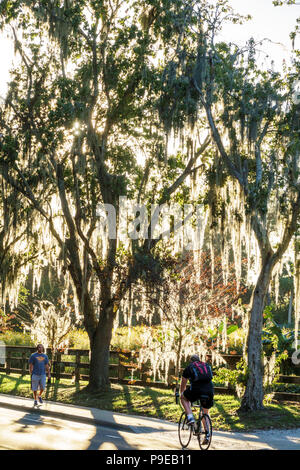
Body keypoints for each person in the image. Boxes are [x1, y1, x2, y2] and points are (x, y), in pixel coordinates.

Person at [180, 354, 214, 442]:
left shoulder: (189, 367)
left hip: (196, 389)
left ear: (191, 361)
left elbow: (183, 383)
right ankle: (207, 435)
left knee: (183, 398)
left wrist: (182, 393)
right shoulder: (206, 366)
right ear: (199, 360)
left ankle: (190, 417)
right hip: (209, 390)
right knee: (205, 412)